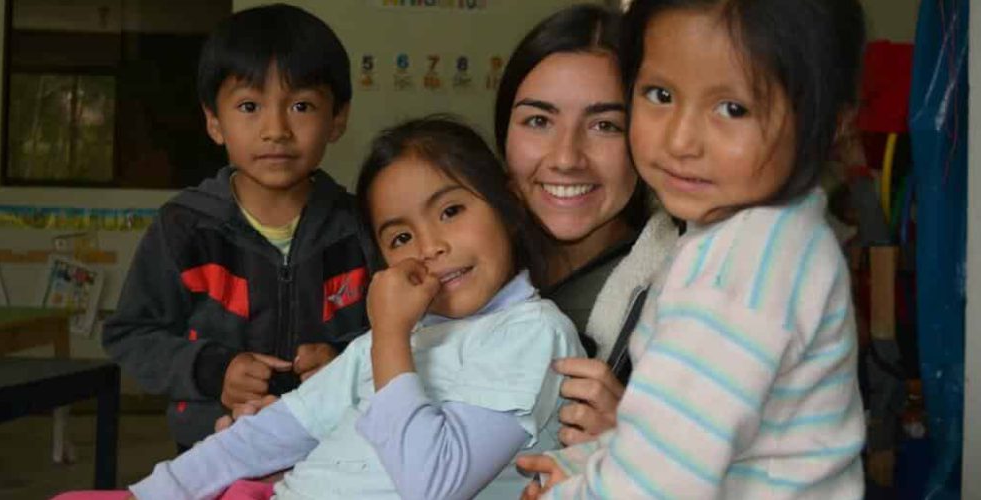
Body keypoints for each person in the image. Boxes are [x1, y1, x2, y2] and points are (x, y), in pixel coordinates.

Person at [56, 116, 584, 500]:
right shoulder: (395, 341)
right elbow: (271, 433)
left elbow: (434, 484)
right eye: (400, 236)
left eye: (450, 210)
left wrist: (391, 338)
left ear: (509, 206)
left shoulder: (529, 333)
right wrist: (147, 495)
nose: (429, 247)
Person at [518, 0, 867, 497]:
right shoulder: (780, 232)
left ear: (829, 123)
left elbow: (659, 485)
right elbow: (688, 441)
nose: (681, 140)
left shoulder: (740, 263)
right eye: (660, 94)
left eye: (733, 109)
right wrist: (587, 464)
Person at [101, 4, 371, 452]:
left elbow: (403, 335)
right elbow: (131, 333)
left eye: (301, 105)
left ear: (337, 118)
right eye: (249, 105)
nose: (276, 130)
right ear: (214, 121)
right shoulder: (184, 228)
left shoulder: (360, 227)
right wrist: (213, 370)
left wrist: (345, 365)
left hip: (336, 451)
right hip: (214, 447)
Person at [495, 4, 678, 446]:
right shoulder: (456, 267)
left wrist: (635, 448)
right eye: (538, 121)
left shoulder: (691, 297)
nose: (566, 158)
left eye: (605, 126)